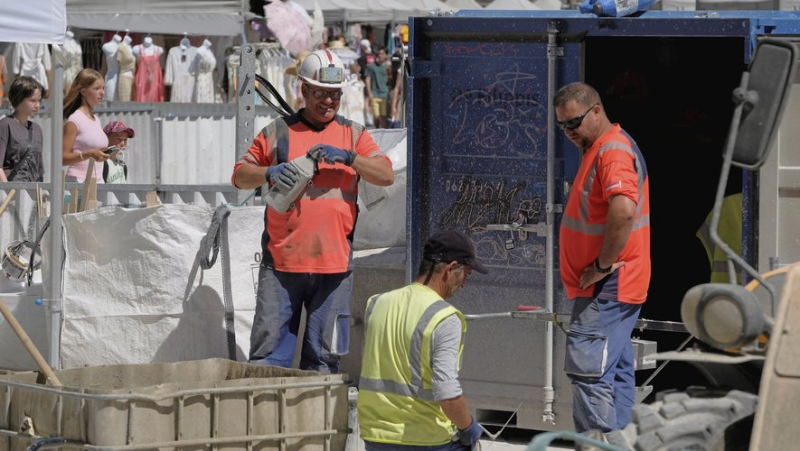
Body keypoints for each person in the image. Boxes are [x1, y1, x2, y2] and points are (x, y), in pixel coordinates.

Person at [231, 49, 394, 373]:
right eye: (320, 94)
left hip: (334, 267)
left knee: (324, 360)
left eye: (334, 95)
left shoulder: (354, 134)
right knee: (269, 361)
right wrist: (268, 173)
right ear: (303, 90)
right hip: (282, 265)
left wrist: (350, 158)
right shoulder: (278, 132)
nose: (329, 102)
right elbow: (238, 176)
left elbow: (385, 174)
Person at [554, 82, 650, 435]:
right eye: (562, 125)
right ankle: (620, 438)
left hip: (608, 286)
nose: (568, 132)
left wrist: (601, 266)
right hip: (614, 286)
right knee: (615, 371)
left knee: (588, 372)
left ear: (596, 111)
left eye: (574, 122)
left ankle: (601, 446)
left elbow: (623, 211)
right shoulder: (602, 148)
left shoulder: (611, 151)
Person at [358, 230, 488, 451]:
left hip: (375, 435)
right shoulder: (444, 318)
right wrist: (469, 428)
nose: (464, 284)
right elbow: (447, 396)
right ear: (450, 269)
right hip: (426, 439)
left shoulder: (376, 304)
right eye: (465, 273)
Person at [63, 69, 110, 182]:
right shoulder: (74, 120)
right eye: (97, 88)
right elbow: (62, 158)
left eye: (103, 88)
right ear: (83, 91)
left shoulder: (96, 120)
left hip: (98, 181)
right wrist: (88, 154)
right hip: (79, 183)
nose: (102, 92)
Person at [0, 76, 44, 182]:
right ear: (19, 99)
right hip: (12, 193)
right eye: (32, 101)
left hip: (33, 191)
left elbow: (40, 168)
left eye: (39, 101)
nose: (37, 105)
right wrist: (7, 191)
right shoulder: (5, 125)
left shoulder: (36, 129)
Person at [365, 47, 389, 129]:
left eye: (382, 53)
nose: (380, 55)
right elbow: (368, 79)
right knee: (376, 116)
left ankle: (384, 132)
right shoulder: (372, 67)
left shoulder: (388, 67)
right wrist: (369, 93)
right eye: (379, 53)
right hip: (375, 94)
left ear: (386, 55)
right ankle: (378, 129)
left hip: (386, 94)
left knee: (384, 116)